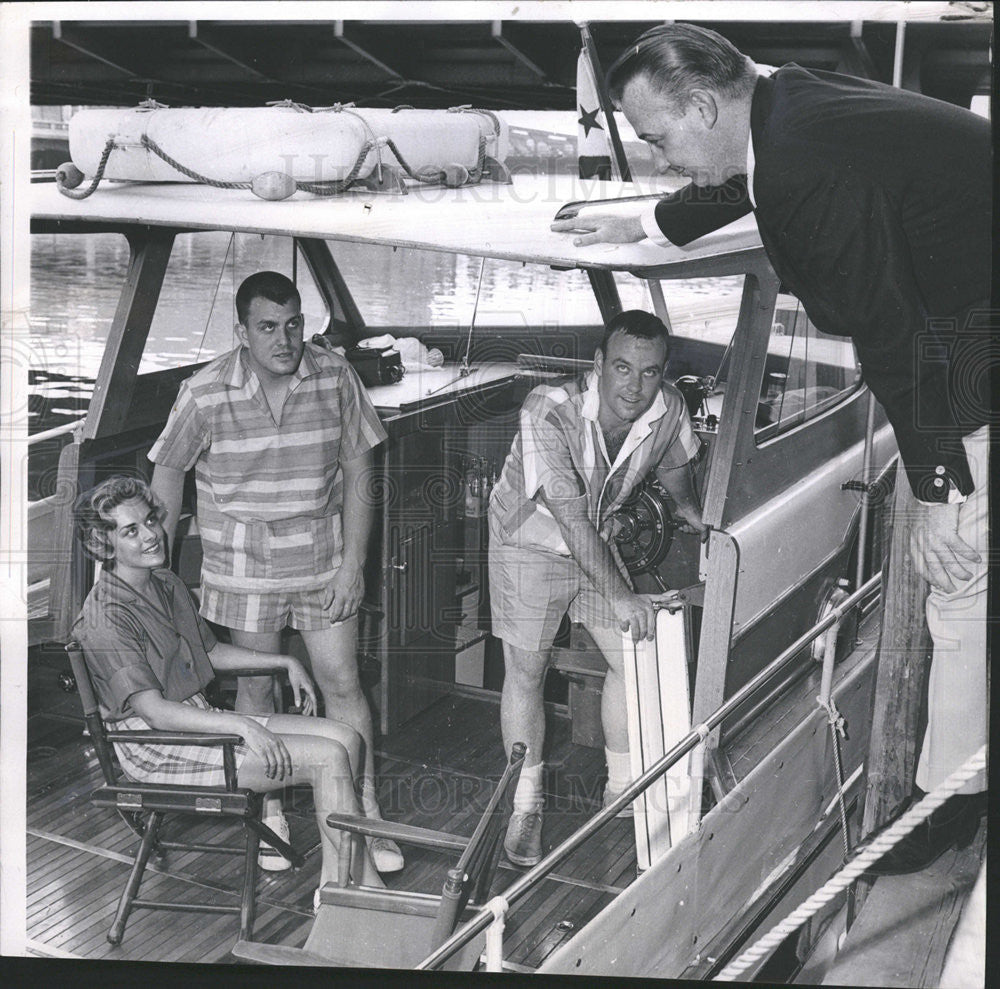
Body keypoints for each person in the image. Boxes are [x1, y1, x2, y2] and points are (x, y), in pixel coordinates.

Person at [551, 23, 989, 873]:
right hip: (967, 322)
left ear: (705, 103)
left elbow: (892, 332)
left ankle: (948, 808)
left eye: (659, 139)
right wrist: (652, 220)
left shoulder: (803, 163)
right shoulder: (786, 101)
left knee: (957, 580)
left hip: (976, 351)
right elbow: (745, 174)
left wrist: (937, 492)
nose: (661, 155)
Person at [149, 271, 403, 875]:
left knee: (342, 683)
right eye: (268, 327)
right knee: (257, 690)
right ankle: (269, 814)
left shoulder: (336, 375)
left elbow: (361, 475)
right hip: (240, 567)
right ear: (241, 332)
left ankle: (362, 818)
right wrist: (157, 566)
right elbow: (168, 473)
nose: (284, 340)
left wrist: (354, 566)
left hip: (321, 558)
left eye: (293, 325)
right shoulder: (204, 390)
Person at [71, 476, 383, 903]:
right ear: (102, 545)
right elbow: (157, 714)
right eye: (131, 530)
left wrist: (284, 661)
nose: (150, 535)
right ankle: (348, 893)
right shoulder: (104, 617)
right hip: (154, 744)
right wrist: (241, 726)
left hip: (195, 717)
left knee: (345, 737)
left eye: (149, 521)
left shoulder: (164, 583)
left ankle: (350, 884)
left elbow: (210, 650)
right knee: (327, 759)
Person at [490, 309, 706, 866]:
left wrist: (689, 514)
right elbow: (568, 518)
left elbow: (675, 463)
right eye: (622, 368)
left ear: (664, 373)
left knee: (632, 660)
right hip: (530, 541)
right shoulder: (547, 409)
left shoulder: (669, 409)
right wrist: (619, 595)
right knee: (527, 671)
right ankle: (525, 807)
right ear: (597, 366)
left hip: (597, 538)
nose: (634, 386)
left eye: (650, 372)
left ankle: (621, 790)